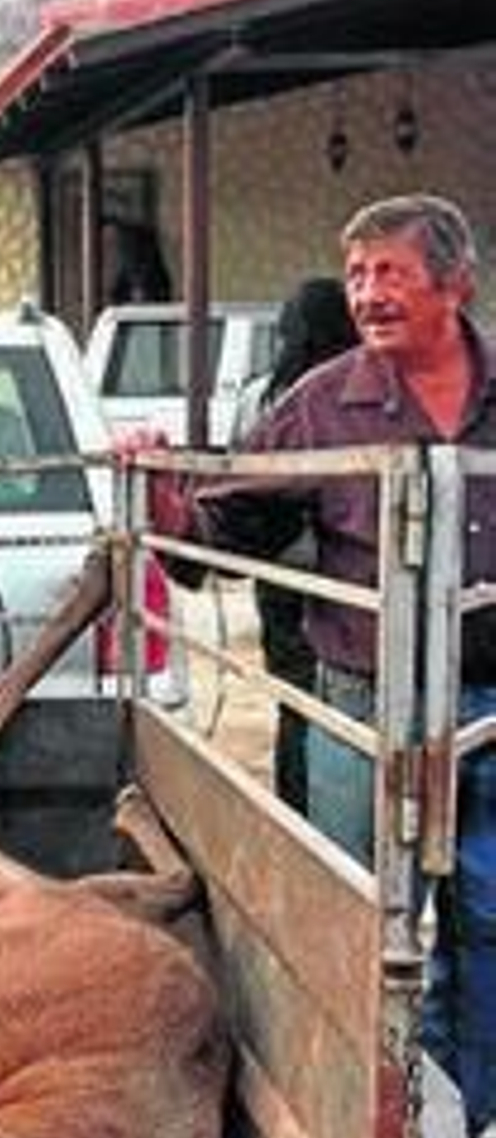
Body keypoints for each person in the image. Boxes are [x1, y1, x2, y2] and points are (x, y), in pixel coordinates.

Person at [137, 195, 496, 1138]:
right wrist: (173, 507)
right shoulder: (323, 399)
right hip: (362, 703)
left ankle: (471, 1122)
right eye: (357, 277)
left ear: (452, 282)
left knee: (489, 914)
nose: (369, 294)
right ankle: (367, 1135)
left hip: (491, 703)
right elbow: (229, 532)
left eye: (390, 272)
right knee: (360, 916)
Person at [239, 277, 358, 811]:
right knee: (344, 706)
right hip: (344, 571)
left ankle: (297, 817)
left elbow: (237, 481)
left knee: (294, 703)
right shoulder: (353, 395)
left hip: (280, 572)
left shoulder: (260, 396)